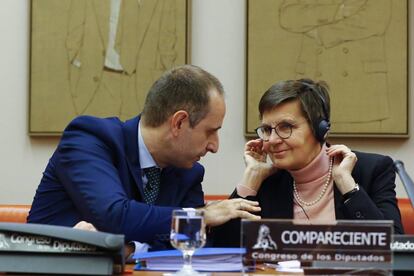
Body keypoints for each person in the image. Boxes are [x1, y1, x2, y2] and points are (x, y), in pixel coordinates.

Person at [28, 65, 261, 250]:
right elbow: (115, 215)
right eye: (210, 131)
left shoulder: (189, 172)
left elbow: (193, 243)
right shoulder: (90, 139)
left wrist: (129, 248)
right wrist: (200, 215)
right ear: (178, 123)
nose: (214, 146)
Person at [213, 78, 404, 247]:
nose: (272, 140)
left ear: (321, 130)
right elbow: (223, 250)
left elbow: (394, 248)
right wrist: (251, 178)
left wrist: (347, 184)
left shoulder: (371, 169)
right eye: (266, 129)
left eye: (286, 127)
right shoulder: (268, 181)